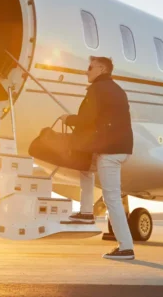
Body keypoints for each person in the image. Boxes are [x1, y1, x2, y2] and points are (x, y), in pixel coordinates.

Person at [60, 56, 135, 260]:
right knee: (85, 167)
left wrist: (68, 119)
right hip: (117, 148)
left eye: (90, 67)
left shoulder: (97, 89)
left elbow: (87, 119)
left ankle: (126, 247)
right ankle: (86, 212)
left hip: (110, 152)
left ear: (102, 69)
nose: (86, 71)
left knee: (112, 198)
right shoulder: (117, 90)